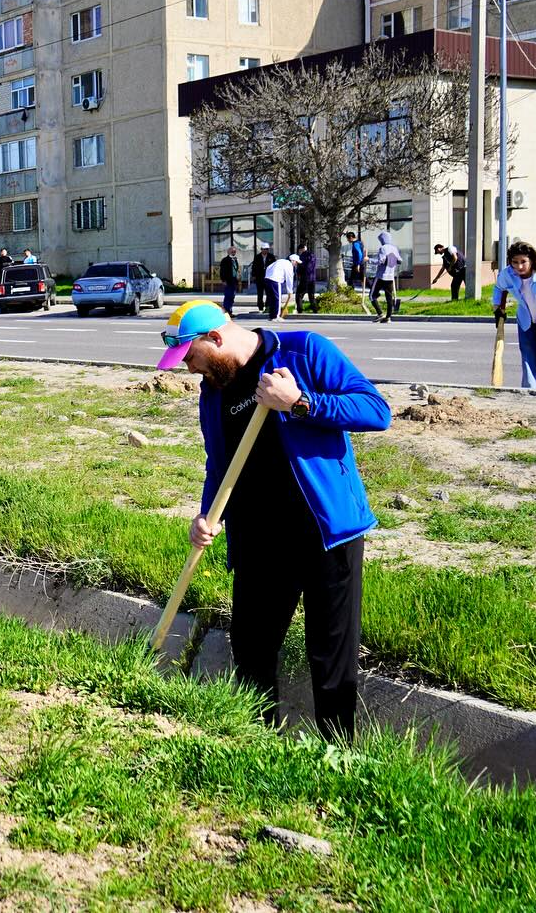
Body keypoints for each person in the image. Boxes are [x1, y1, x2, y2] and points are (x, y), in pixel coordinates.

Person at [157, 300, 390, 742]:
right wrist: (209, 514)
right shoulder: (215, 389)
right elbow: (219, 463)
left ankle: (338, 757)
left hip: (325, 533)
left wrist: (300, 402)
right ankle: (259, 745)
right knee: (251, 650)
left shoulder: (305, 352)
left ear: (216, 338)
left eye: (191, 357)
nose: (189, 370)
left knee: (330, 658)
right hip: (258, 540)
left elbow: (376, 411)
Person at [493, 240, 536, 390]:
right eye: (515, 262)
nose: (519, 266)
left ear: (532, 260)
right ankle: (530, 391)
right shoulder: (508, 274)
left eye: (523, 262)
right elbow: (498, 288)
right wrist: (497, 308)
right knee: (528, 355)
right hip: (526, 318)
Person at [370, 231, 402, 323]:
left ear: (382, 239)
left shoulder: (383, 248)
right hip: (391, 276)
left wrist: (369, 260)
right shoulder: (395, 248)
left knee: (372, 295)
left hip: (381, 276)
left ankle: (380, 314)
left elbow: (380, 261)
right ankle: (388, 317)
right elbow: (400, 260)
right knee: (389, 297)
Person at [263, 252, 295, 321]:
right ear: (293, 261)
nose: (296, 264)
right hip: (275, 280)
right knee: (277, 299)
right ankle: (276, 316)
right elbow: (289, 278)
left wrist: (267, 276)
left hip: (267, 279)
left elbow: (268, 267)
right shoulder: (289, 264)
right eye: (296, 262)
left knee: (271, 299)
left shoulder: (280, 261)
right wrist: (290, 291)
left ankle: (272, 316)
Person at [218, 246, 240, 317]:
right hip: (227, 280)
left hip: (233, 280)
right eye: (232, 251)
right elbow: (222, 271)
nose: (233, 253)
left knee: (232, 296)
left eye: (234, 252)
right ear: (228, 252)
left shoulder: (235, 259)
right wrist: (223, 280)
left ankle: (229, 311)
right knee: (228, 296)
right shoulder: (225, 260)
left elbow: (236, 269)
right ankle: (226, 312)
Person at [296, 244, 318, 314]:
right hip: (312, 278)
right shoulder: (312, 255)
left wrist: (298, 273)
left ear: (301, 249)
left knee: (299, 294)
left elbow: (301, 267)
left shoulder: (302, 256)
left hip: (304, 278)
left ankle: (300, 310)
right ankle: (315, 310)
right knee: (311, 295)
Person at [251, 246, 274, 311]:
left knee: (268, 293)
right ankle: (260, 306)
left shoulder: (271, 257)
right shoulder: (257, 257)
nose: (264, 251)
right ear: (261, 250)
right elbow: (254, 266)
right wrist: (253, 275)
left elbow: (274, 266)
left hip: (268, 277)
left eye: (266, 249)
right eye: (263, 249)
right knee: (260, 293)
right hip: (259, 278)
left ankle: (267, 305)